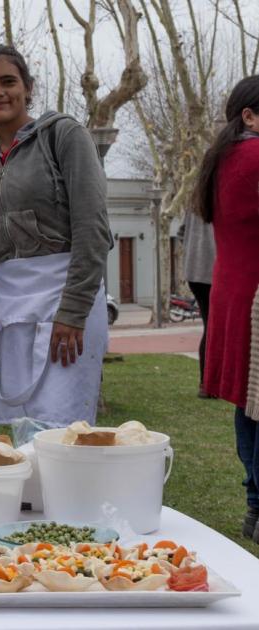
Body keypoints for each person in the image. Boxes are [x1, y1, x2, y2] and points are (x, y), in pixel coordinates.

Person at [0, 45, 111, 426]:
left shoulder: (63, 135)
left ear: (28, 88)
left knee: (61, 432)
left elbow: (93, 230)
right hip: (10, 307)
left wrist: (73, 312)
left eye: (8, 81)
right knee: (17, 429)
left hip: (64, 304)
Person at [193, 75, 259, 541]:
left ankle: (255, 505)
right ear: (250, 115)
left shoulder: (223, 159)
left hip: (236, 290)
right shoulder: (255, 156)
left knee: (249, 402)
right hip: (256, 295)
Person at [180, 209, 215, 397]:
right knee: (212, 327)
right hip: (211, 271)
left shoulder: (194, 201)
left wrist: (191, 253)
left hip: (194, 272)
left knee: (209, 326)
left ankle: (207, 383)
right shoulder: (218, 198)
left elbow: (181, 232)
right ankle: (207, 384)